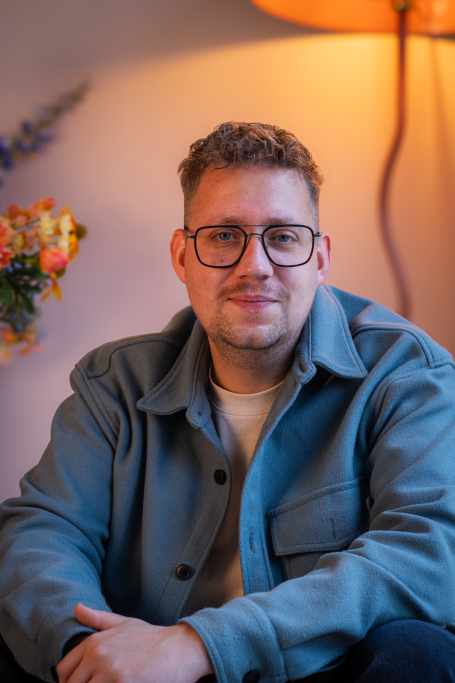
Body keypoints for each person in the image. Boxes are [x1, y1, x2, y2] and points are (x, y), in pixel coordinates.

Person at [1, 121, 455, 683]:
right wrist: (89, 652)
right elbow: (43, 530)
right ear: (182, 256)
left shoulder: (406, 373)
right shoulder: (113, 384)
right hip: (147, 671)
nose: (254, 266)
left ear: (320, 258)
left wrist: (201, 645)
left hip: (320, 670)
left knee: (418, 651)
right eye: (223, 236)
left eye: (283, 237)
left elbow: (428, 553)